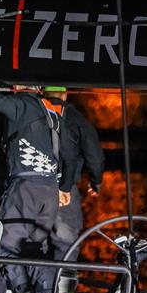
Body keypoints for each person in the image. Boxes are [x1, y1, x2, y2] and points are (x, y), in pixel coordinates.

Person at [0, 84, 68, 293]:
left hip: (26, 187)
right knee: (33, 246)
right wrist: (63, 185)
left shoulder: (23, 104)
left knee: (4, 242)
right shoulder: (51, 112)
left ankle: (23, 292)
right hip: (49, 190)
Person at [43, 86, 104, 261]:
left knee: (34, 238)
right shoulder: (77, 119)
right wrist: (96, 181)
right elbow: (95, 155)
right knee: (66, 241)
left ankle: (35, 285)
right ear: (65, 94)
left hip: (33, 187)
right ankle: (64, 284)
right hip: (65, 190)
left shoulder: (33, 112)